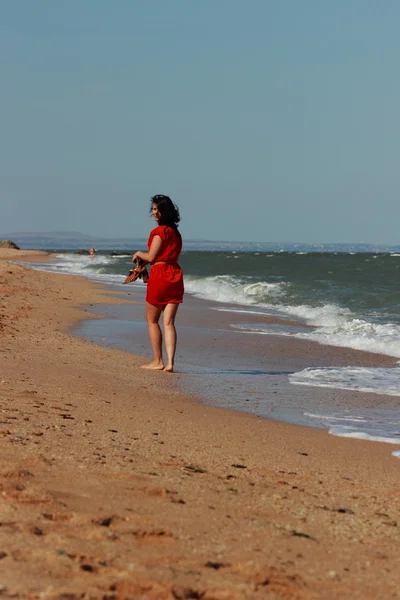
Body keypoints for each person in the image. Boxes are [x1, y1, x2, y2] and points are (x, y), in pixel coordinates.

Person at [132, 195, 184, 372]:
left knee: (152, 320)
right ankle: (170, 363)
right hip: (175, 275)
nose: (155, 213)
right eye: (153, 209)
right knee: (169, 322)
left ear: (164, 212)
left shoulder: (159, 232)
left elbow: (152, 257)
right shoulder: (176, 233)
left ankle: (158, 360)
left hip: (160, 276)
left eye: (157, 209)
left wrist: (139, 254)